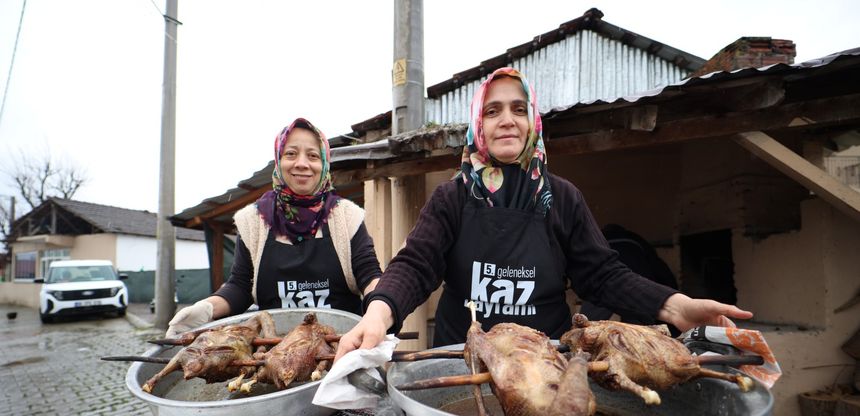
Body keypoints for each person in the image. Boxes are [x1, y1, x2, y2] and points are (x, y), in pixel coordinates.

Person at [334, 68, 751, 359]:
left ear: (533, 119)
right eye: (492, 111)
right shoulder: (453, 198)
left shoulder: (563, 198)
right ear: (477, 124)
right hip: (461, 359)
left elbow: (604, 274)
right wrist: (379, 312)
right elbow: (416, 264)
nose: (507, 121)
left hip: (544, 360)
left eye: (518, 109)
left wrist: (676, 307)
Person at [166, 118, 382, 337]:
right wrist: (208, 308)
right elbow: (241, 287)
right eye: (291, 154)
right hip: (270, 351)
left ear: (324, 164)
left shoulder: (347, 217)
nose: (302, 163)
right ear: (279, 160)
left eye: (313, 156)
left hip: (340, 346)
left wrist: (380, 310)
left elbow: (370, 275)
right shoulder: (254, 221)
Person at [579, 223, 679, 330]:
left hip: (601, 283)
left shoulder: (596, 239)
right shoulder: (636, 239)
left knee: (587, 327)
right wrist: (673, 291)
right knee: (639, 331)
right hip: (636, 285)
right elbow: (660, 269)